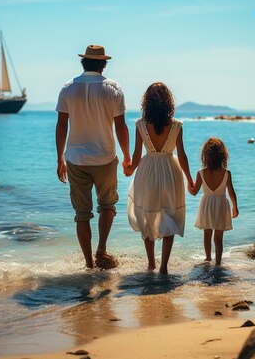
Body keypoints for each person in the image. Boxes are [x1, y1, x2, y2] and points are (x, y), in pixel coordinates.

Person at [55, 44, 131, 269]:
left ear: (83, 62)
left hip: (76, 159)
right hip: (105, 158)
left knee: (82, 214)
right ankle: (101, 250)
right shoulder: (113, 88)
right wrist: (127, 156)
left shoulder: (68, 88)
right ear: (104, 64)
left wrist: (59, 158)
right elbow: (121, 126)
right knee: (107, 205)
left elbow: (61, 126)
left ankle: (88, 264)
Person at [124, 82, 194, 274]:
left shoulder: (140, 125)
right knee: (169, 215)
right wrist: (190, 179)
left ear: (147, 103)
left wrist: (129, 169)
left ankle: (151, 263)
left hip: (148, 170)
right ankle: (163, 266)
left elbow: (137, 157)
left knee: (148, 216)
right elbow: (183, 155)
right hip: (171, 171)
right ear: (168, 102)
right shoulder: (177, 125)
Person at [188, 137, 238, 266]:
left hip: (207, 205)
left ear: (205, 156)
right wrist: (235, 207)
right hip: (221, 204)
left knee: (207, 233)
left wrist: (188, 185)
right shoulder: (227, 173)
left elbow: (194, 192)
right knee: (219, 237)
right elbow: (231, 192)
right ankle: (218, 262)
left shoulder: (201, 173)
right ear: (223, 156)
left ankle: (208, 257)